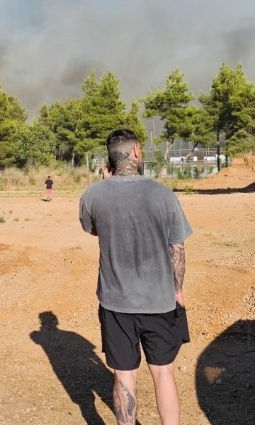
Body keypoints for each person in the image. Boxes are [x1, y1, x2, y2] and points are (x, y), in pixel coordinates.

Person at [79, 129, 193, 425]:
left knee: (124, 374)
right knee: (163, 371)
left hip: (116, 302)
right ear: (137, 152)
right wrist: (177, 289)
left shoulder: (93, 194)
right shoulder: (163, 193)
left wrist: (106, 187)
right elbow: (177, 248)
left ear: (110, 157)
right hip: (160, 300)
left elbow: (93, 229)